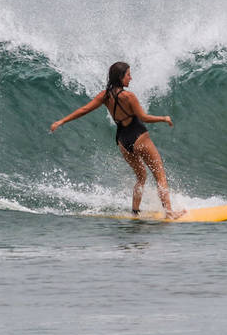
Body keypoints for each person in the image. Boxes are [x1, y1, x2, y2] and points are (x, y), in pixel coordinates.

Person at [51, 61, 185, 219]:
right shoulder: (128, 96)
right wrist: (163, 118)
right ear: (120, 77)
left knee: (141, 177)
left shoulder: (105, 96)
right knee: (160, 175)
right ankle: (169, 213)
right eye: (128, 75)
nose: (130, 78)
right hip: (139, 136)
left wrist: (61, 121)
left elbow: (84, 109)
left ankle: (135, 212)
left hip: (122, 140)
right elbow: (143, 117)